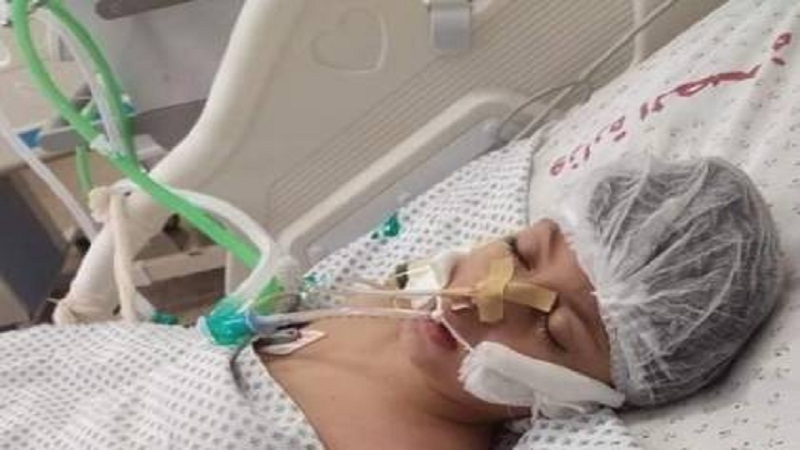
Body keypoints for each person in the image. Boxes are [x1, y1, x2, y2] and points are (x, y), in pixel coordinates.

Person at [0, 155, 782, 450]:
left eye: (553, 327)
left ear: (590, 397)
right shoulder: (384, 300)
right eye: (518, 255)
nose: (478, 300)